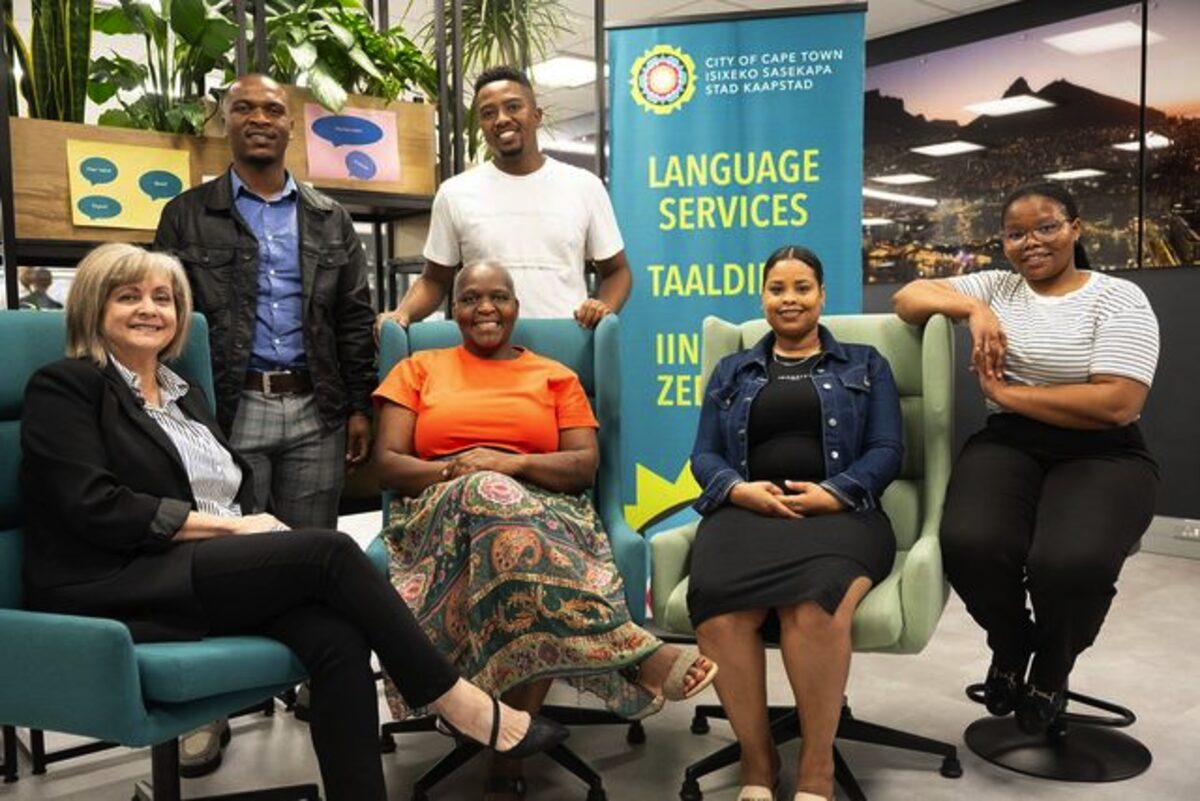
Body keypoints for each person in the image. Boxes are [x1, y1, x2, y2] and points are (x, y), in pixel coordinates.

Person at [19, 243, 569, 801]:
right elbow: (94, 505)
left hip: (196, 569)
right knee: (329, 551)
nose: (150, 309)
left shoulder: (184, 394)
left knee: (337, 638)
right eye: (128, 296)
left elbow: (226, 491)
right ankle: (458, 701)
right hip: (116, 578)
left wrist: (250, 529)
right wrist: (237, 530)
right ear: (93, 307)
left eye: (164, 298)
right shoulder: (65, 386)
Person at [374, 261, 716, 800]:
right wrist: (461, 468)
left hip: (549, 513)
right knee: (488, 497)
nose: (485, 309)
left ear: (516, 305)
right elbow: (388, 465)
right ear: (452, 308)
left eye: (499, 297)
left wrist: (511, 464)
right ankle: (635, 652)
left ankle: (506, 741)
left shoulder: (553, 375)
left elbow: (584, 464)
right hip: (438, 511)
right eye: (470, 299)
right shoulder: (418, 368)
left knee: (511, 537)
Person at [892, 182, 1159, 734]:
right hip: (1011, 442)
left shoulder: (1119, 296)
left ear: (1075, 228)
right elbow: (909, 298)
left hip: (1104, 453)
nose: (1031, 242)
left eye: (1047, 227)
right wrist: (973, 309)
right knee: (968, 542)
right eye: (1016, 233)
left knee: (1065, 564)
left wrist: (1009, 394)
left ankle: (1052, 668)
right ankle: (1011, 650)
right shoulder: (997, 287)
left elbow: (1116, 403)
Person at [688, 245, 902, 801]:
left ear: (822, 295)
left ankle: (816, 768)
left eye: (802, 288)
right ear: (762, 297)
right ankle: (758, 764)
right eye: (777, 288)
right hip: (746, 513)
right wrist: (740, 491)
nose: (789, 299)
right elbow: (704, 456)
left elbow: (886, 450)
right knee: (719, 607)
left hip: (842, 517)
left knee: (814, 605)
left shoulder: (866, 364)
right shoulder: (731, 370)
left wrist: (834, 493)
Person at [154, 74, 373, 533]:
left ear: (291, 125)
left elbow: (353, 320)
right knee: (237, 550)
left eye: (272, 109)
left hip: (317, 409)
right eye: (243, 108)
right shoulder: (184, 215)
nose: (259, 118)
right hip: (226, 408)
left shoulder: (331, 218)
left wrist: (358, 408)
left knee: (312, 547)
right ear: (225, 123)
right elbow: (160, 320)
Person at [380, 65, 632, 330]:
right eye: (488, 113)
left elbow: (617, 271)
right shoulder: (454, 193)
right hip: (485, 352)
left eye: (513, 107)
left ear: (536, 115)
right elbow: (434, 280)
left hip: (565, 347)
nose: (501, 119)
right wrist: (402, 313)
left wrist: (603, 309)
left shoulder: (584, 186)